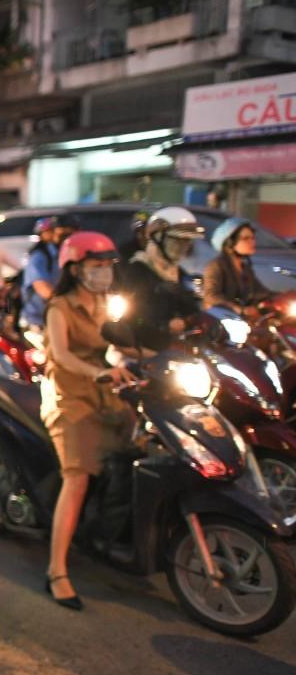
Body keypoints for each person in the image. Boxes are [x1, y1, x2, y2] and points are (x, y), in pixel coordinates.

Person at [40, 232, 137, 609]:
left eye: (108, 265)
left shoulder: (107, 303)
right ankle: (56, 570)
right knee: (77, 477)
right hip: (68, 395)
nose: (104, 273)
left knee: (138, 449)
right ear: (75, 268)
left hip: (105, 389)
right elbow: (62, 356)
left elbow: (120, 344)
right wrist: (97, 373)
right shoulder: (59, 307)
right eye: (96, 266)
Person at [119, 206, 204, 351]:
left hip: (175, 351)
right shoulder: (138, 270)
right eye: (177, 240)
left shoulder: (179, 273)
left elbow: (193, 310)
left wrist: (187, 319)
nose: (183, 246)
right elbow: (132, 317)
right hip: (142, 351)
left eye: (187, 241)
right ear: (158, 237)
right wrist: (163, 325)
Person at [20, 214, 77, 334]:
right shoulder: (39, 256)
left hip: (64, 319)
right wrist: (67, 304)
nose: (67, 238)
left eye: (71, 234)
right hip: (38, 322)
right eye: (63, 234)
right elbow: (43, 288)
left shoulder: (71, 255)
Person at [203, 217, 272, 315]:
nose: (252, 242)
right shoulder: (216, 266)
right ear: (230, 243)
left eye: (252, 238)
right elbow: (211, 296)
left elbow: (261, 292)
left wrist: (284, 297)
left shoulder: (245, 268)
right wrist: (237, 308)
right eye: (245, 238)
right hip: (222, 320)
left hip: (243, 320)